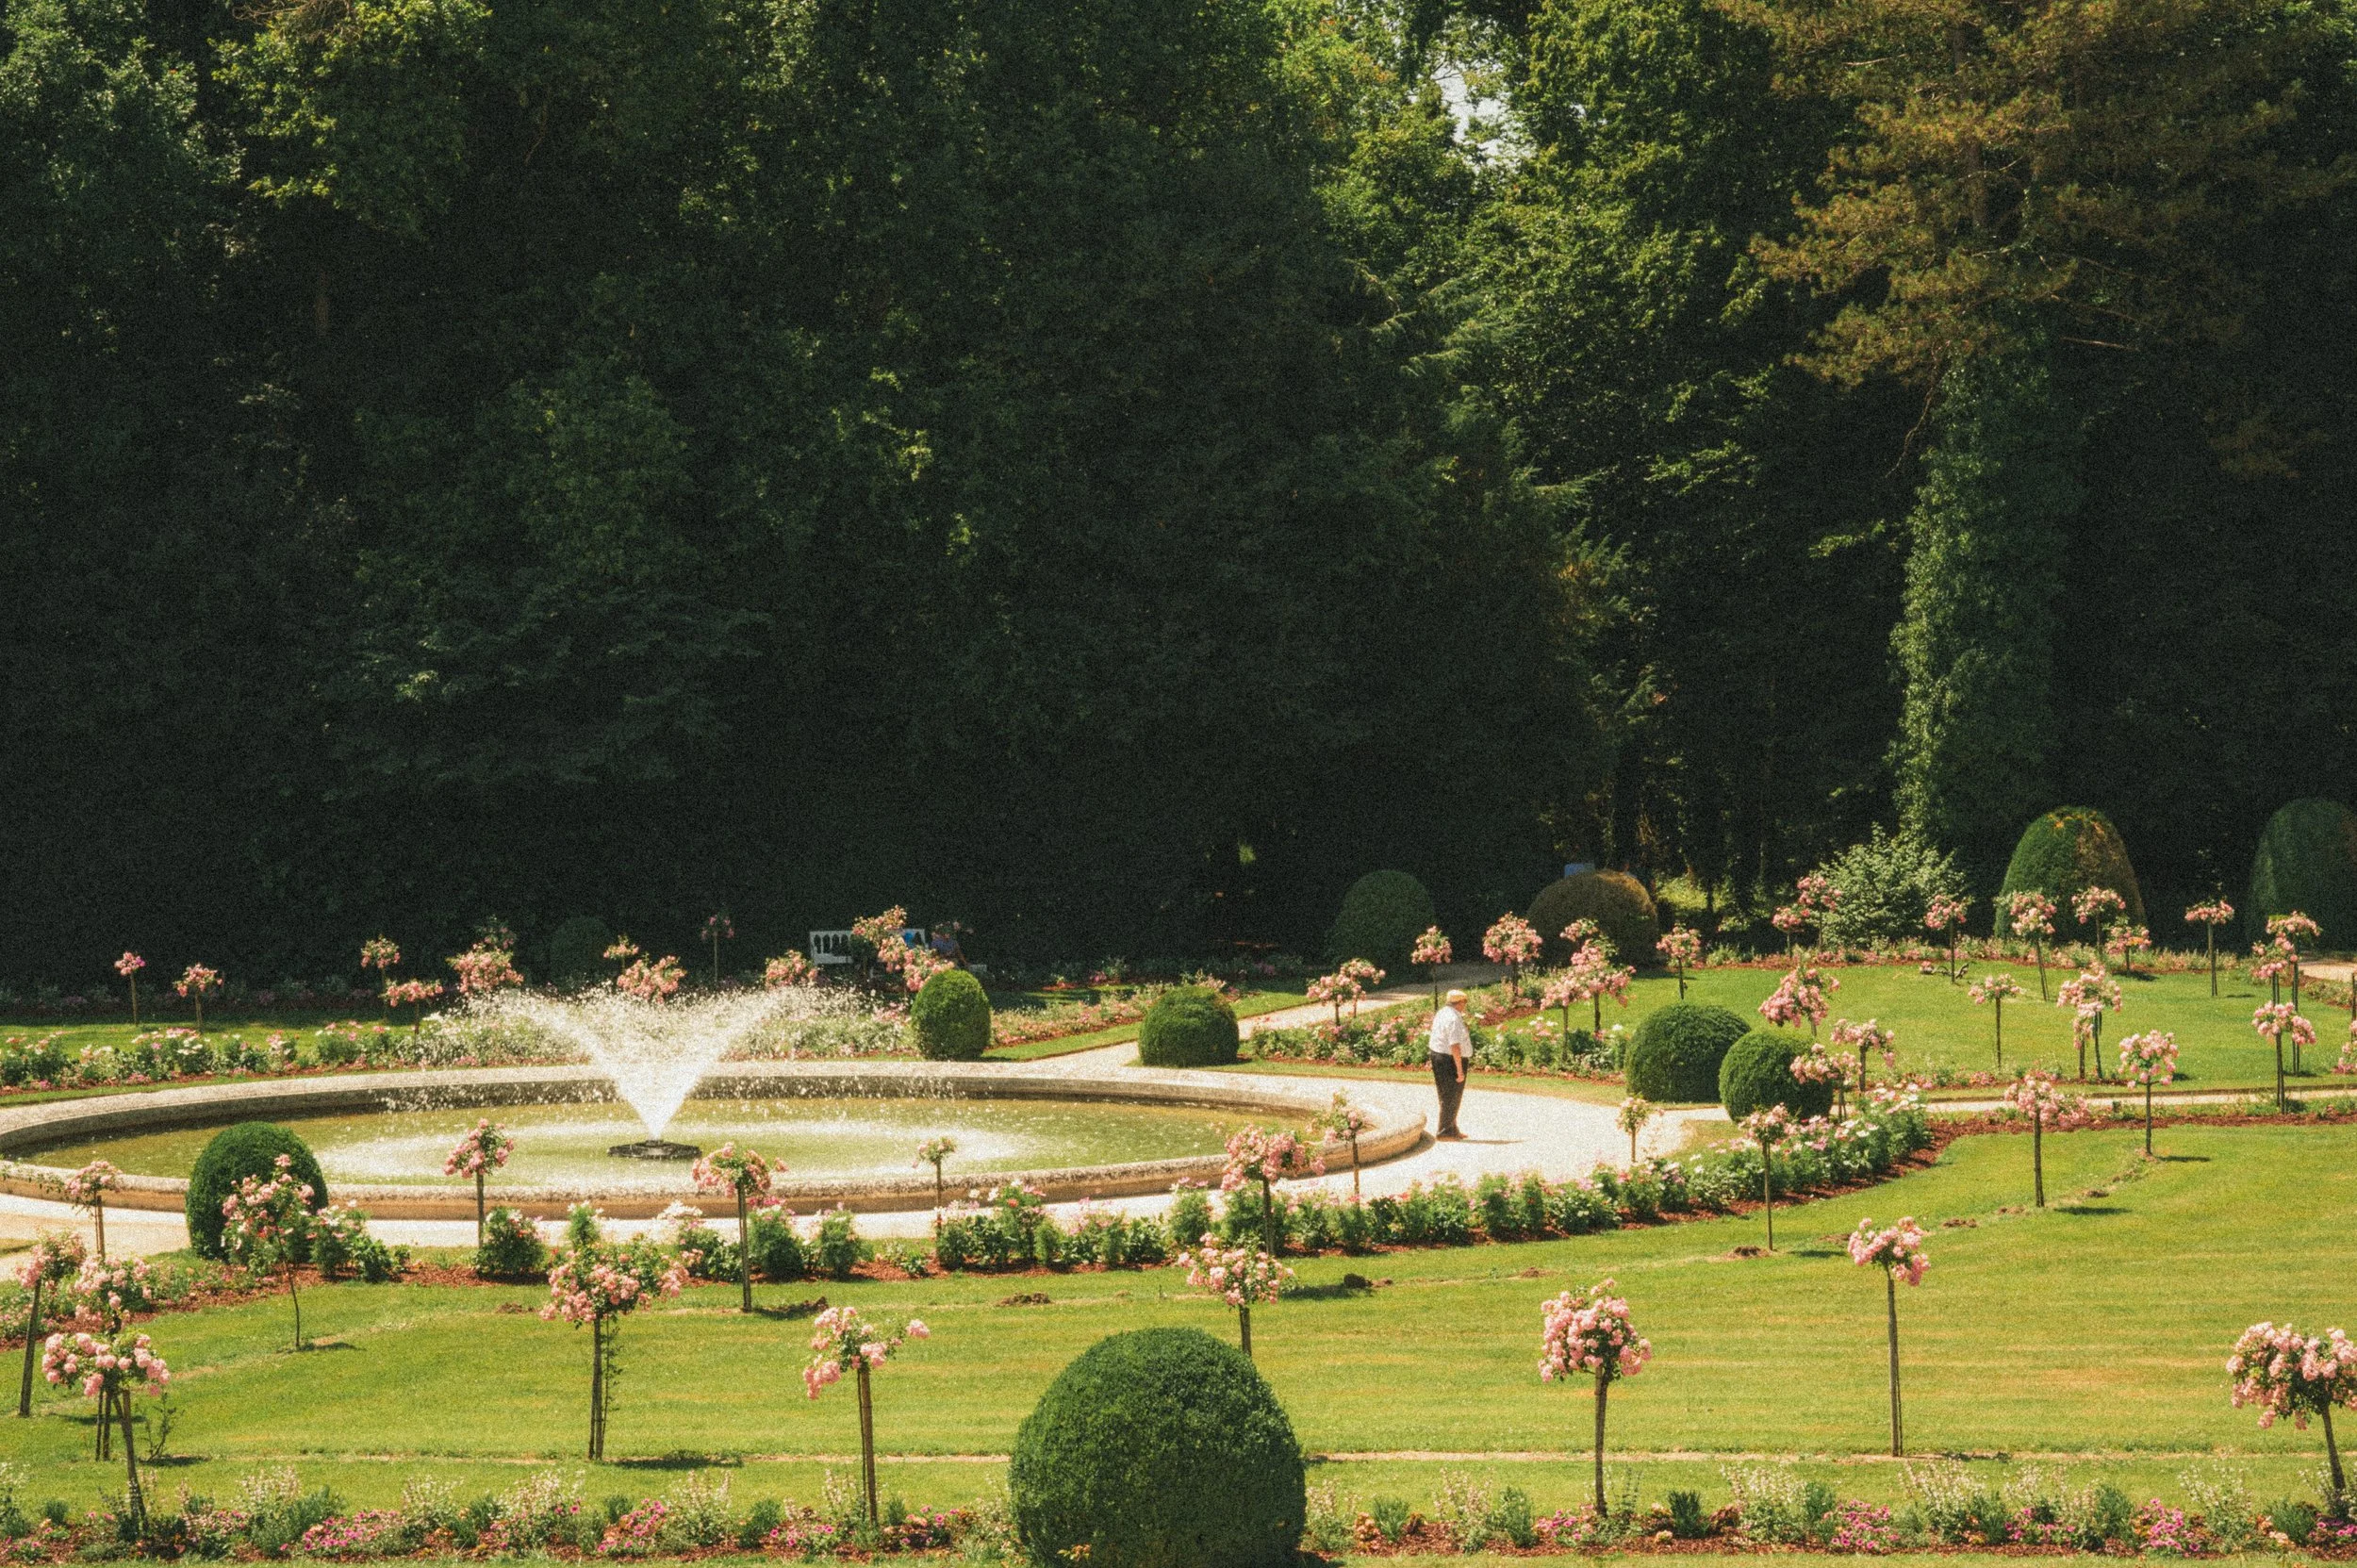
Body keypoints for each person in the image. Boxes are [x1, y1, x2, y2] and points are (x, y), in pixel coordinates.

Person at [1428, 987, 1472, 1140]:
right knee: (1451, 1095)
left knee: (1449, 1094)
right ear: (1459, 1003)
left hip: (1439, 1056)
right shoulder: (1453, 1019)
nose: (1464, 1005)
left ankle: (1452, 1127)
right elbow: (1455, 1045)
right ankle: (1444, 1131)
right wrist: (1460, 1070)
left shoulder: (1443, 1012)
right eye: (1464, 1002)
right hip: (1449, 1059)